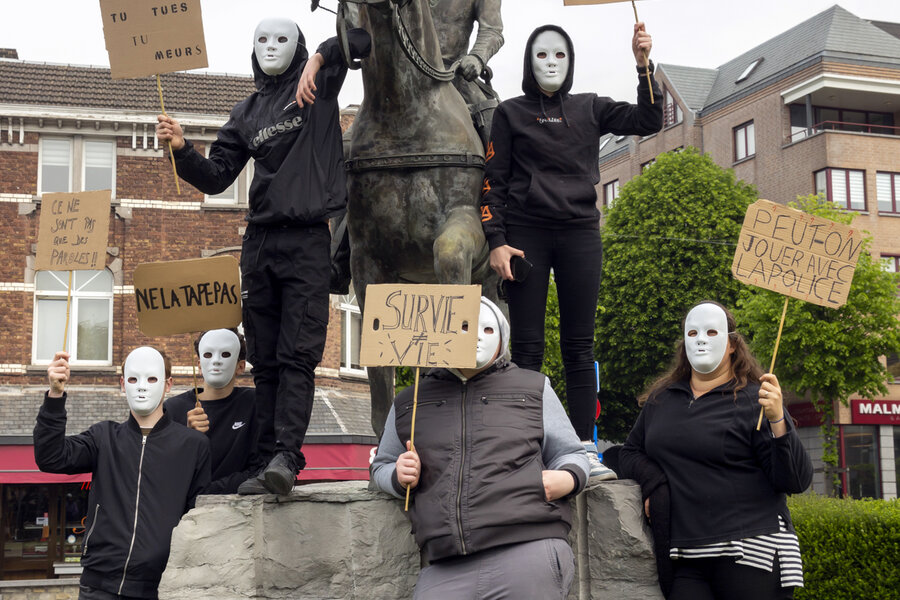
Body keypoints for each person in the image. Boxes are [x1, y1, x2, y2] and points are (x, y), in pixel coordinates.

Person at [156, 18, 371, 495]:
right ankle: (263, 461)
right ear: (253, 50)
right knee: (266, 361)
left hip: (309, 240)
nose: (271, 47)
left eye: (281, 39)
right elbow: (216, 176)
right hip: (260, 243)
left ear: (295, 47)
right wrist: (182, 150)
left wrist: (319, 57)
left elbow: (362, 39)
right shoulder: (246, 112)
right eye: (262, 40)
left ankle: (287, 456)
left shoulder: (318, 84)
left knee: (298, 355)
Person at [480, 23, 663, 481]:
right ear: (529, 61)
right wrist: (496, 242)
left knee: (579, 346)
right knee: (526, 347)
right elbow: (490, 183)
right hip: (526, 233)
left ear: (570, 61)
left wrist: (643, 66)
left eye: (559, 56)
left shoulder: (591, 107)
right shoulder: (510, 113)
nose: (551, 63)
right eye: (542, 55)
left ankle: (584, 449)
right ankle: (521, 448)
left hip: (581, 231)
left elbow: (649, 120)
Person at [371, 297, 589, 599]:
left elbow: (572, 453)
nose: (474, 335)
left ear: (502, 337)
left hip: (528, 547)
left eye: (487, 329)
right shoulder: (410, 400)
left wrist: (567, 478)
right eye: (463, 326)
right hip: (445, 563)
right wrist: (397, 475)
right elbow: (380, 465)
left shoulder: (534, 388)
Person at [619, 301, 813, 600]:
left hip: (751, 550)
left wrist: (777, 418)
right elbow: (630, 453)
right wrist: (655, 483)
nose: (701, 340)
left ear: (733, 343)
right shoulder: (663, 399)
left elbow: (795, 481)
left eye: (712, 331)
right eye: (693, 332)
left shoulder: (756, 399)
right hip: (685, 554)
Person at [34, 347, 210, 600]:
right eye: (133, 379)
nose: (141, 387)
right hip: (99, 586)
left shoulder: (193, 446)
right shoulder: (103, 437)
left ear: (168, 384)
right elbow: (51, 457)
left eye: (151, 379)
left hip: (161, 587)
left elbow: (199, 514)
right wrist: (55, 394)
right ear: (122, 383)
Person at [164, 328, 261, 494]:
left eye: (225, 354)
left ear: (241, 366)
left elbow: (260, 468)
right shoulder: (173, 409)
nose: (216, 361)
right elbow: (163, 473)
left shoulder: (254, 404)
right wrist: (186, 439)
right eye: (208, 355)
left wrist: (208, 492)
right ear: (199, 365)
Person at [431, 0, 503, 148]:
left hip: (455, 74)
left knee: (494, 124)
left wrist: (477, 57)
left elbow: (492, 30)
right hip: (398, 71)